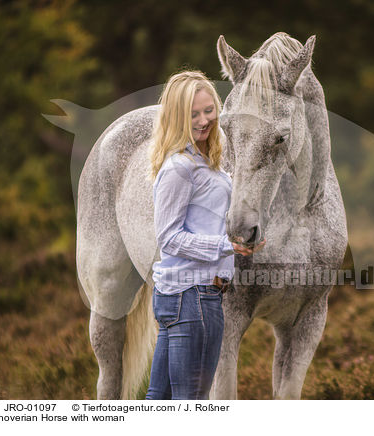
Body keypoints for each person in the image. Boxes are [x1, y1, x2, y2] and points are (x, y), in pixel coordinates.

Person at [145, 71, 265, 400]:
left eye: (209, 110)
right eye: (193, 114)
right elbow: (168, 238)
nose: (203, 121)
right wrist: (225, 247)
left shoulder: (203, 161)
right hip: (194, 297)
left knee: (160, 401)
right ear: (176, 117)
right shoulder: (181, 167)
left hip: (182, 297)